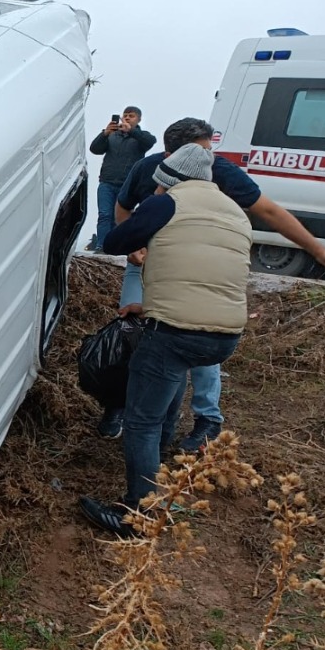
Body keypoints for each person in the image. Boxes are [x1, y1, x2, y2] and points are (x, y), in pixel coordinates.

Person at [96, 117, 325, 449]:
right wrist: (135, 249)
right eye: (201, 152)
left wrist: (321, 253)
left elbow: (269, 211)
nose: (208, 159)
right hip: (149, 261)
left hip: (198, 269)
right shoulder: (147, 169)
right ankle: (118, 404)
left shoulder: (219, 171)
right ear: (170, 155)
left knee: (199, 334)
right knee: (129, 332)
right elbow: (122, 208)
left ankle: (206, 420)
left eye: (210, 151)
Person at [79, 143, 250, 537]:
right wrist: (148, 306)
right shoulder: (234, 211)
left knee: (141, 420)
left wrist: (154, 203)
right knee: (170, 374)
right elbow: (204, 271)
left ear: (168, 180)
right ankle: (165, 445)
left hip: (177, 331)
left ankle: (140, 514)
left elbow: (115, 241)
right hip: (224, 334)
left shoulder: (166, 203)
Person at [86, 106, 155, 252]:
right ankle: (102, 246)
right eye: (126, 115)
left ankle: (118, 247)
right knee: (105, 215)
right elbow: (95, 149)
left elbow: (150, 141)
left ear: (139, 119)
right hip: (106, 182)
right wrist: (104, 134)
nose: (128, 118)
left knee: (121, 218)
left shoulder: (141, 137)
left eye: (132, 116)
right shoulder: (112, 135)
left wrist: (131, 131)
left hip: (127, 185)